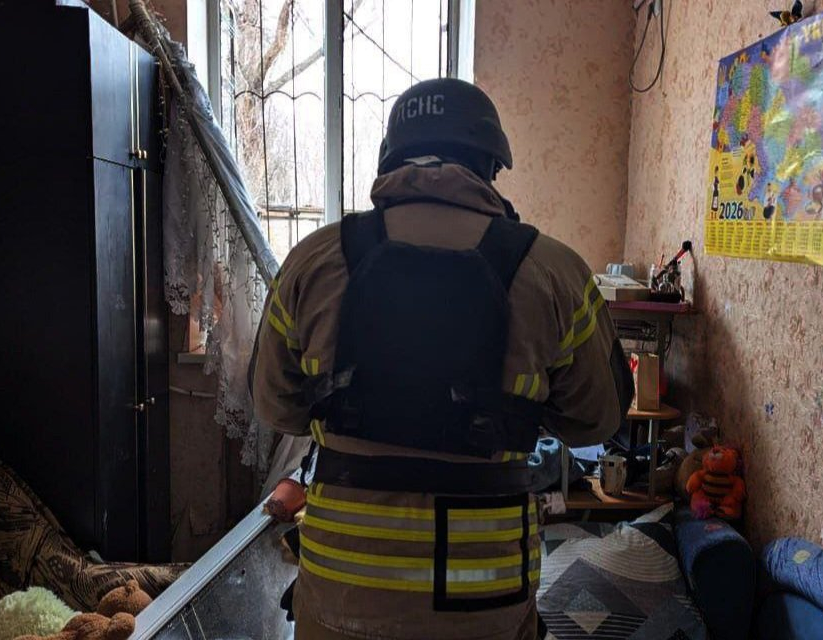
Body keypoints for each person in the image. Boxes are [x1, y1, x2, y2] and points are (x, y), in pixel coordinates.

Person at [250, 78, 633, 640]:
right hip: (484, 594)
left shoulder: (311, 263)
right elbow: (597, 420)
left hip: (343, 587)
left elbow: (277, 409)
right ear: (490, 164)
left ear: (391, 158)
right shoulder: (557, 273)